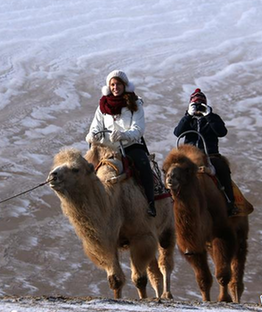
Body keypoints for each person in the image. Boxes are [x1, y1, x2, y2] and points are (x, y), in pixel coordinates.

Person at [85, 70, 156, 217]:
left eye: (118, 84)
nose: (115, 87)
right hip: (107, 148)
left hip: (130, 145)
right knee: (86, 170)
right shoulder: (102, 106)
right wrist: (92, 135)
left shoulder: (135, 104)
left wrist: (125, 135)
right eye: (112, 84)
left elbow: (138, 128)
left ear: (125, 85)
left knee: (143, 165)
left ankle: (151, 202)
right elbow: (96, 126)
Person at [173, 88, 237, 216]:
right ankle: (170, 202)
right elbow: (177, 132)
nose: (198, 107)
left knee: (222, 168)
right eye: (195, 104)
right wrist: (188, 116)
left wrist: (208, 116)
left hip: (210, 155)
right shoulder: (188, 119)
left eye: (201, 104)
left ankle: (230, 202)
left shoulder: (213, 118)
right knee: (172, 171)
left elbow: (222, 132)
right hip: (189, 157)